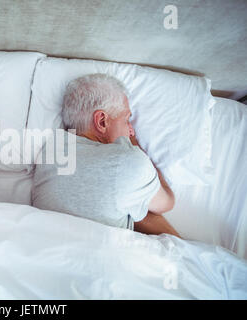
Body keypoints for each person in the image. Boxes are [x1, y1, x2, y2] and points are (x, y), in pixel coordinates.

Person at [32, 73, 179, 237]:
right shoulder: (128, 163)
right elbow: (167, 202)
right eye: (126, 120)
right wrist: (133, 142)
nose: (131, 129)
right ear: (102, 121)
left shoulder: (49, 151)